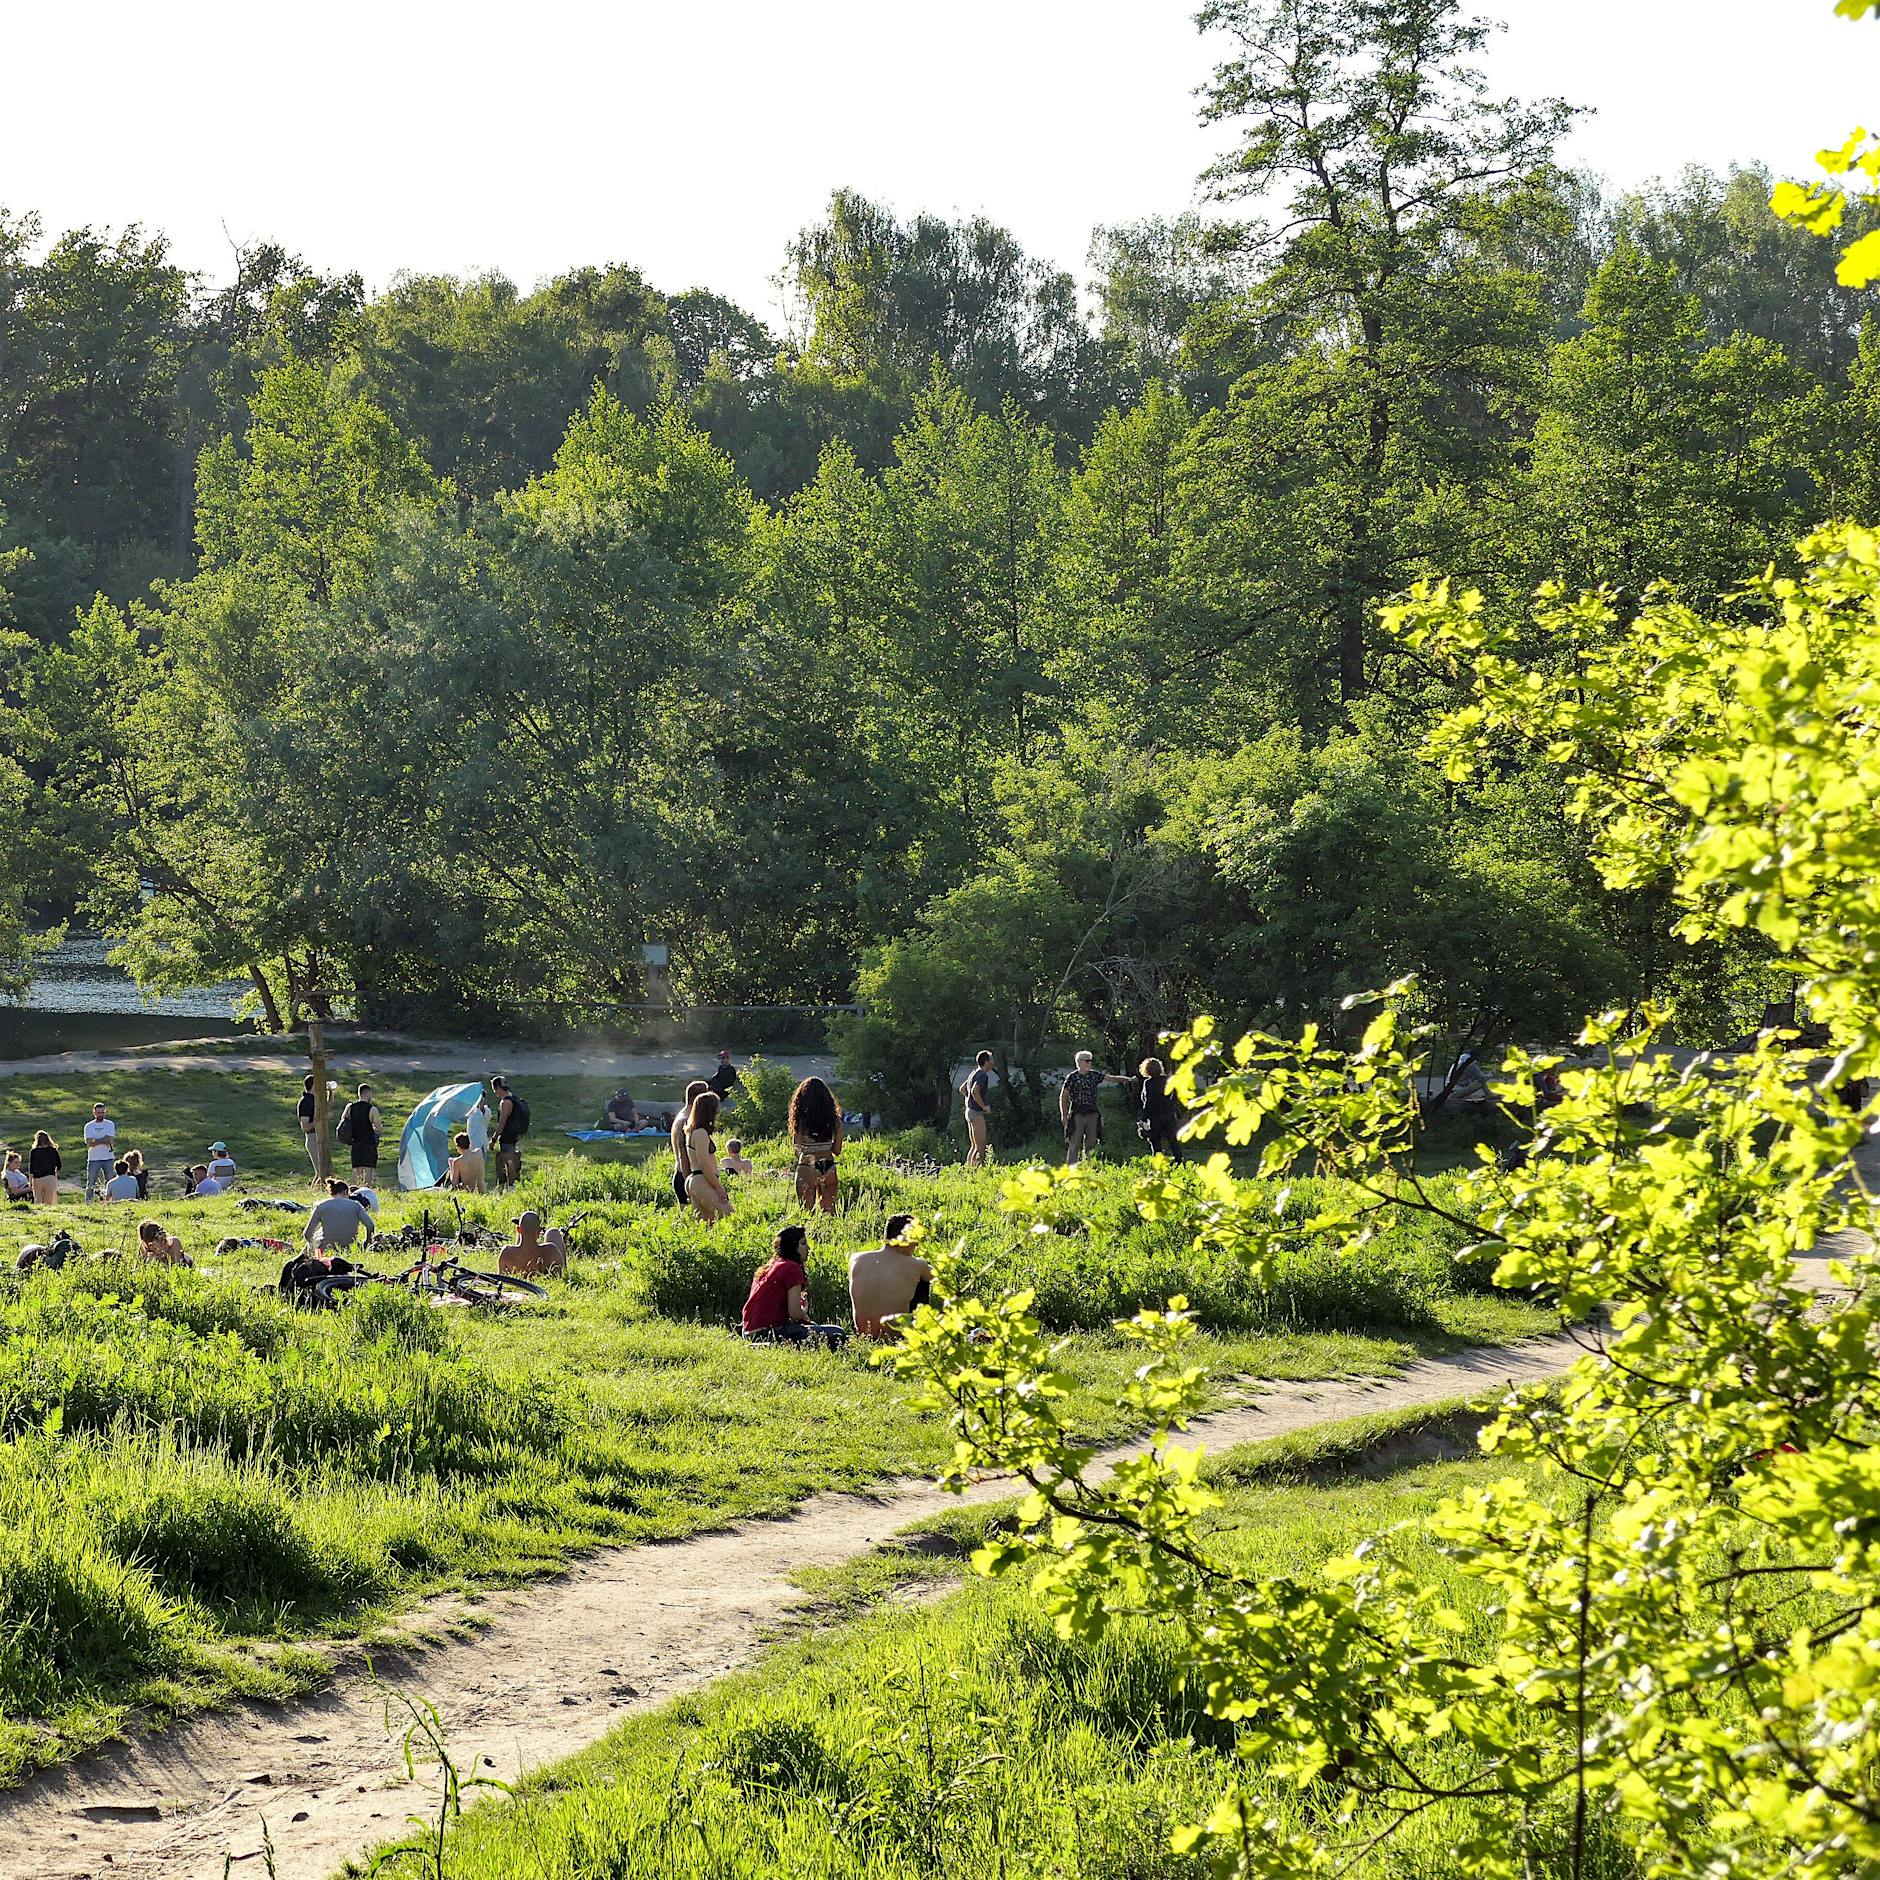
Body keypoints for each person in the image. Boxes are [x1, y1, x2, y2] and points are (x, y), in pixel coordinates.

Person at [742, 1224, 845, 1346]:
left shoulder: (770, 1266)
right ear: (792, 1246)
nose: (808, 1248)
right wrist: (807, 1320)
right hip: (767, 1332)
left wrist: (801, 1311)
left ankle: (768, 1344)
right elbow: (795, 1314)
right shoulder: (792, 1268)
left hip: (748, 1331)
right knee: (837, 1333)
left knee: (817, 1330)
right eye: (803, 1243)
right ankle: (770, 1345)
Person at [848, 1214, 934, 1338]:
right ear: (906, 1238)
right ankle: (921, 1334)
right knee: (922, 1281)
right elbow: (941, 1278)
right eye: (916, 1239)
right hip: (896, 1336)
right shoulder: (916, 1265)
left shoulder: (856, 1259)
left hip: (864, 1335)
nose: (917, 1245)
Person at [1060, 1050, 1128, 1168]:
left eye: (1090, 1061)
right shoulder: (1072, 1077)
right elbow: (1064, 1096)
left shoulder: (1094, 1075)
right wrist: (1064, 1114)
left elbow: (1111, 1078)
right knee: (1074, 1143)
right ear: (1079, 1062)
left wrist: (1128, 1079)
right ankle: (1071, 1170)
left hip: (1092, 1113)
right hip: (1077, 1113)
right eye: (1087, 1060)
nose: (1089, 1063)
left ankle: (1090, 1167)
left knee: (1092, 1143)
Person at [788, 1075, 844, 1215]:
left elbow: (797, 1147)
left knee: (807, 1214)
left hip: (808, 1166)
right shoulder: (834, 1120)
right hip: (829, 1166)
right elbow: (837, 1150)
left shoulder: (801, 1120)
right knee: (830, 1213)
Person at [682, 1090, 732, 1223]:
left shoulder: (693, 1131)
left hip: (696, 1180)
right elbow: (703, 1163)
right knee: (729, 1216)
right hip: (701, 1180)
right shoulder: (700, 1133)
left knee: (707, 1226)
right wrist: (718, 1187)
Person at [303, 1179, 375, 1253]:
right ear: (345, 1192)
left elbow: (307, 1234)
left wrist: (311, 1243)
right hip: (351, 1247)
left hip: (326, 1249)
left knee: (316, 1234)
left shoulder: (321, 1206)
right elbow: (370, 1225)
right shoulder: (355, 1205)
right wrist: (367, 1241)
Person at [670, 1078, 710, 1206]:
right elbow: (683, 1155)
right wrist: (690, 1185)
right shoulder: (686, 1121)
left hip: (685, 1176)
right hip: (686, 1176)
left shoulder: (683, 1115)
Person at [498, 1208, 567, 1279]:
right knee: (553, 1232)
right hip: (542, 1285)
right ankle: (531, 1228)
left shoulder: (506, 1253)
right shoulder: (551, 1250)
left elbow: (502, 1279)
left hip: (519, 1281)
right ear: (539, 1232)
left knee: (525, 1231)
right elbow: (558, 1277)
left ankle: (526, 1228)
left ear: (518, 1230)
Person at [1136, 1057, 1182, 1159]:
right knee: (1173, 1140)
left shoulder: (1148, 1083)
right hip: (1169, 1113)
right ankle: (1179, 1161)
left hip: (1155, 1115)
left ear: (1146, 1069)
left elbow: (1148, 1101)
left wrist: (1143, 1118)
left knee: (1155, 1141)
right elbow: (1175, 1096)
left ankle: (1158, 1162)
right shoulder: (1168, 1080)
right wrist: (1172, 1106)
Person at [338, 1084, 382, 1188]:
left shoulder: (350, 1107)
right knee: (368, 1170)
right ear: (369, 1093)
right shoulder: (372, 1109)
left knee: (356, 1171)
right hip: (369, 1143)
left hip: (355, 1142)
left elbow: (343, 1121)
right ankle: (367, 1191)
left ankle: (354, 1190)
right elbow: (379, 1128)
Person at [491, 1075, 528, 1186]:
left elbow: (501, 1123)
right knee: (512, 1157)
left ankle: (511, 1184)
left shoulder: (505, 1102)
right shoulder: (513, 1098)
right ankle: (513, 1183)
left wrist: (494, 1138)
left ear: (497, 1088)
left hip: (507, 1136)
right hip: (514, 1134)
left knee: (508, 1160)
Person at [960, 1051, 994, 1168]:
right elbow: (975, 1091)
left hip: (969, 1112)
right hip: (976, 1113)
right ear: (986, 1062)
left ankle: (968, 1168)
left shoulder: (974, 1072)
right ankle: (977, 1170)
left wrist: (969, 1102)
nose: (993, 1062)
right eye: (991, 1059)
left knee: (974, 1145)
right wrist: (983, 1106)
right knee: (980, 1146)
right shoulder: (982, 1075)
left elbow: (962, 1089)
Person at [83, 1102, 117, 1202]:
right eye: (98, 1112)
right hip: (94, 1158)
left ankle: (111, 1201)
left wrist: (96, 1140)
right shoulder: (89, 1126)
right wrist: (103, 1140)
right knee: (91, 1183)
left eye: (102, 1112)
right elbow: (89, 1143)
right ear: (94, 1112)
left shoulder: (110, 1124)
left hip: (108, 1157)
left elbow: (110, 1140)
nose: (100, 1114)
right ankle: (89, 1202)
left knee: (110, 1181)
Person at [28, 1130, 61, 1205]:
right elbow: (58, 1165)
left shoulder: (34, 1151)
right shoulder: (53, 1151)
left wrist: (30, 1181)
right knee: (50, 1202)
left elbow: (31, 1168)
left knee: (38, 1200)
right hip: (50, 1177)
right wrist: (56, 1176)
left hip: (38, 1178)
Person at [296, 1074, 320, 1177]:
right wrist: (320, 1122)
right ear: (314, 1085)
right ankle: (314, 1192)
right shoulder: (306, 1102)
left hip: (318, 1137)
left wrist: (330, 1093)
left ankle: (314, 1192)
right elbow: (305, 1127)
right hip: (312, 1137)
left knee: (321, 1172)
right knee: (321, 1172)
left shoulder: (314, 1099)